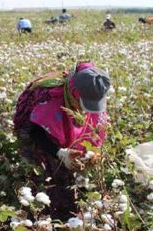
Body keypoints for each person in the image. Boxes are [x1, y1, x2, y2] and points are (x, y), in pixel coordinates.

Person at [13, 62, 111, 220]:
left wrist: (92, 153)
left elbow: (96, 126)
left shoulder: (95, 87)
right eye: (83, 103)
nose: (86, 109)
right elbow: (36, 132)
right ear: (73, 92)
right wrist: (60, 152)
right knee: (49, 170)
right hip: (37, 129)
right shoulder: (49, 99)